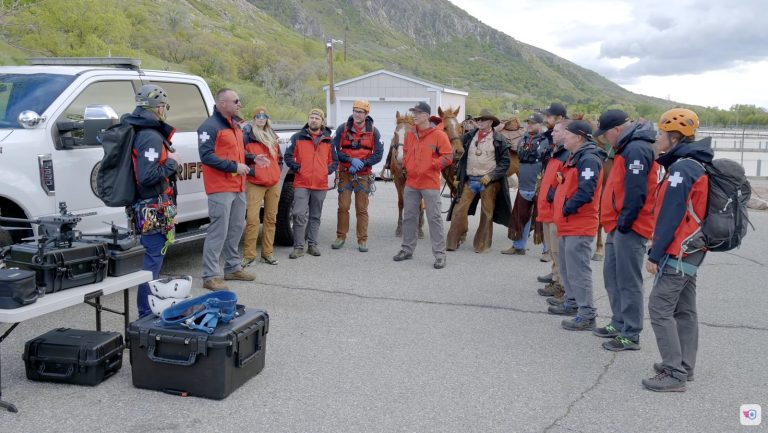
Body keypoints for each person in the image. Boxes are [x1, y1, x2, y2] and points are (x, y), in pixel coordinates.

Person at [643, 108, 711, 392]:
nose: (656, 139)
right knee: (684, 308)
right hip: (693, 246)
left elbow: (672, 214)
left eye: (659, 134)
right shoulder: (693, 163)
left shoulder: (682, 169)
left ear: (674, 137)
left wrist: (654, 254)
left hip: (680, 248)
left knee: (659, 307)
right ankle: (684, 364)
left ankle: (674, 373)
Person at [592, 109, 659, 352]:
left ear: (616, 130)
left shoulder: (637, 148)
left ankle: (630, 333)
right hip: (618, 225)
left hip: (629, 227)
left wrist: (624, 223)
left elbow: (637, 192)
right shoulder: (627, 146)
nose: (604, 139)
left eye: (605, 134)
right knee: (612, 276)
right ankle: (619, 322)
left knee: (628, 281)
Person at [126, 85, 180, 317]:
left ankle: (148, 310)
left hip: (151, 205)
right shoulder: (149, 136)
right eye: (164, 107)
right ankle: (145, 314)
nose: (164, 111)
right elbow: (147, 176)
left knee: (153, 260)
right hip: (153, 206)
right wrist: (172, 162)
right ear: (158, 108)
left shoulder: (142, 130)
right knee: (152, 264)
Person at [549, 120, 606, 331]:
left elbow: (586, 191)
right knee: (567, 267)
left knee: (578, 270)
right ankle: (572, 303)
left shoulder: (589, 159)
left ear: (579, 137)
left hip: (579, 224)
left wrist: (566, 208)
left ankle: (587, 314)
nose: (564, 137)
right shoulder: (575, 156)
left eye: (568, 134)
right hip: (568, 223)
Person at [197, 88, 255, 291]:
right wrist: (234, 167)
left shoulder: (235, 126)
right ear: (223, 104)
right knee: (218, 232)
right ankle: (210, 276)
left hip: (238, 185)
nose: (239, 104)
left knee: (236, 227)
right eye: (236, 100)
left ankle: (232, 267)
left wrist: (254, 158)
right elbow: (206, 156)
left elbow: (239, 152)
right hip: (220, 187)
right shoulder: (209, 127)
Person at [392, 102, 453, 269]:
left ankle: (440, 255)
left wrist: (432, 165)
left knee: (434, 219)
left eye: (417, 113)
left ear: (426, 116)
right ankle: (407, 250)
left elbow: (448, 157)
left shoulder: (439, 135)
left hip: (430, 183)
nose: (414, 115)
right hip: (411, 182)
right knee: (409, 217)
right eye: (413, 112)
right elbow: (405, 153)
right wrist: (407, 165)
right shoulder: (410, 134)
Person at [446, 108, 512, 253]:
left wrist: (492, 176)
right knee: (459, 210)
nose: (480, 122)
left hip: (488, 181)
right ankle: (452, 242)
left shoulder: (499, 139)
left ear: (490, 122)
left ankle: (482, 245)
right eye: (478, 120)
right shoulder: (468, 137)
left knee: (487, 213)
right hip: (469, 180)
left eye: (483, 120)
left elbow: (505, 164)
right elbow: (458, 156)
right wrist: (458, 177)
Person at [284, 108, 338, 259]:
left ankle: (312, 245)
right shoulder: (297, 137)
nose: (313, 120)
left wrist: (326, 171)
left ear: (322, 122)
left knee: (315, 215)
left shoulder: (328, 139)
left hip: (320, 184)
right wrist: (298, 168)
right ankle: (298, 247)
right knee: (298, 214)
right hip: (302, 182)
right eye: (311, 117)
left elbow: (335, 160)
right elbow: (288, 157)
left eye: (317, 118)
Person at [332, 100, 384, 252]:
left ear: (366, 114)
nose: (357, 114)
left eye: (360, 111)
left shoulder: (374, 132)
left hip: (363, 175)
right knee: (343, 207)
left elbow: (379, 154)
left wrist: (364, 162)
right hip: (346, 173)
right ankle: (340, 237)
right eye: (355, 110)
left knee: (361, 209)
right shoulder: (343, 129)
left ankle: (362, 240)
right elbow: (333, 149)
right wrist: (349, 160)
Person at [503, 113, 549, 255]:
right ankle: (518, 246)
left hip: (539, 186)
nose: (529, 125)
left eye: (533, 123)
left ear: (540, 124)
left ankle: (547, 251)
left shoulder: (548, 140)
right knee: (520, 217)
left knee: (543, 219)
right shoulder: (522, 139)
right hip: (523, 185)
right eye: (528, 122)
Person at [242, 107, 283, 267]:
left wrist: (276, 172)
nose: (260, 118)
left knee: (271, 219)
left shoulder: (272, 136)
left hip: (273, 183)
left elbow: (278, 158)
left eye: (263, 116)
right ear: (254, 118)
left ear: (267, 118)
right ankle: (249, 255)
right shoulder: (247, 136)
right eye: (257, 116)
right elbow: (241, 155)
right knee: (252, 219)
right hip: (255, 183)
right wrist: (254, 164)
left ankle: (267, 253)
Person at [535, 119, 571, 301]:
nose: (553, 134)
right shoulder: (557, 152)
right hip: (548, 209)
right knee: (553, 249)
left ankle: (561, 286)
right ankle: (556, 277)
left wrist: (551, 195)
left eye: (557, 131)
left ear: (567, 133)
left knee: (558, 250)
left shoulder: (567, 156)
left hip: (555, 210)